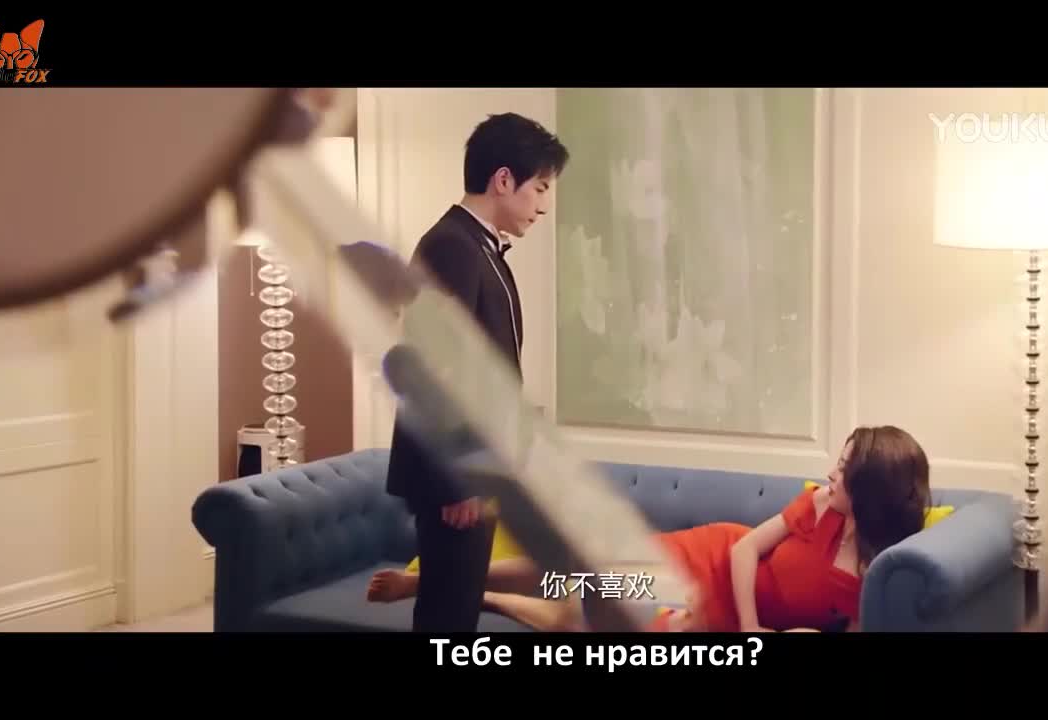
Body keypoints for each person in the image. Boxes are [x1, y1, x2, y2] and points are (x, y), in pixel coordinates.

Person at [368, 425, 932, 632]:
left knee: (582, 616)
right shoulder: (820, 506)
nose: (831, 472)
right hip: (703, 561)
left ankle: (476, 595)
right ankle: (440, 580)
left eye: (844, 468)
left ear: (870, 489)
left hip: (709, 611)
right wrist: (751, 626)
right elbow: (744, 550)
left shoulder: (873, 577)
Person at [374, 112, 569, 632]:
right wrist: (457, 482)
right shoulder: (451, 247)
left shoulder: (480, 246)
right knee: (447, 618)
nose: (544, 205)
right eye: (540, 187)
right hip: (456, 480)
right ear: (503, 179)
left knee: (458, 613)